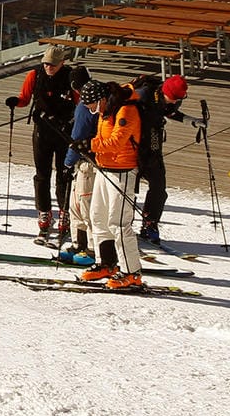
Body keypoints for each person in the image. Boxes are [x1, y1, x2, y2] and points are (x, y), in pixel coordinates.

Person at [5, 45, 78, 237]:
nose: (49, 67)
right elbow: (25, 98)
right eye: (46, 63)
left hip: (64, 132)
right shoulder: (34, 75)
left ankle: (64, 212)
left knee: (64, 173)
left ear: (62, 63)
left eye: (53, 64)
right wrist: (16, 102)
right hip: (42, 130)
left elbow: (80, 104)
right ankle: (44, 211)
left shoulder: (70, 77)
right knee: (42, 173)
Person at [83, 81, 146, 289]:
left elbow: (117, 142)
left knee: (119, 222)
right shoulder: (107, 110)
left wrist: (90, 145)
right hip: (104, 168)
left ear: (101, 99)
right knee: (97, 216)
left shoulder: (126, 110)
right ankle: (106, 262)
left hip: (123, 172)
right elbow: (104, 138)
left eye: (90, 104)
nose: (89, 109)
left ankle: (131, 272)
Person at [133, 74, 192, 244]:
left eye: (178, 99)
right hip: (135, 147)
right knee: (130, 189)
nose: (175, 102)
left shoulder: (167, 98)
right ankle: (125, 225)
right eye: (173, 98)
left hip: (153, 146)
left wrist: (189, 120)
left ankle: (150, 223)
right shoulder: (143, 96)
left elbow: (169, 111)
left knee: (159, 187)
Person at [55, 74, 103, 264]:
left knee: (86, 205)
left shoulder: (85, 106)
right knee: (76, 205)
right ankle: (78, 244)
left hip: (87, 163)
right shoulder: (90, 102)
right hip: (83, 163)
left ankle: (91, 248)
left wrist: (67, 162)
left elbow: (78, 136)